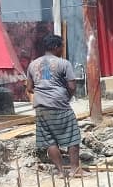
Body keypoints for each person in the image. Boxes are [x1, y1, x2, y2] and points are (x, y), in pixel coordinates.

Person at [25, 34, 83, 177]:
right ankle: (75, 169)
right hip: (59, 105)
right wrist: (66, 97)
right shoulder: (64, 63)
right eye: (62, 47)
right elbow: (72, 86)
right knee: (73, 137)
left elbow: (29, 87)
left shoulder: (33, 64)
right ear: (56, 47)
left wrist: (43, 92)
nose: (62, 49)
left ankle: (60, 171)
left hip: (41, 107)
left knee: (50, 140)